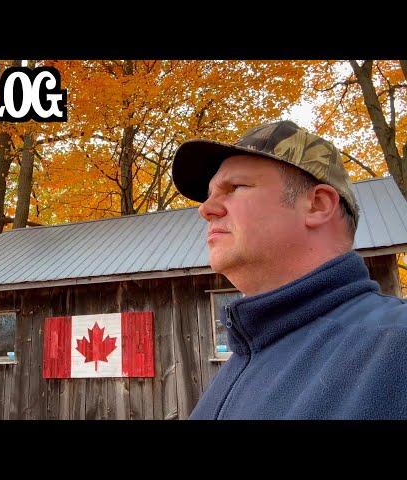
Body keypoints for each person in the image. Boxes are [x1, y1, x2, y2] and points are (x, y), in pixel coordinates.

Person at [171, 120, 407, 419]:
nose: (205, 209)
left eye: (235, 187)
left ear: (318, 205)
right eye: (209, 194)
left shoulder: (396, 346)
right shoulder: (245, 356)